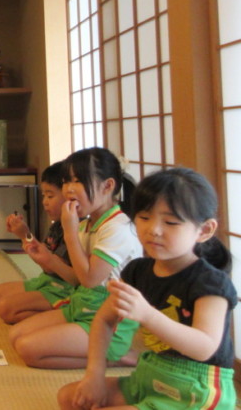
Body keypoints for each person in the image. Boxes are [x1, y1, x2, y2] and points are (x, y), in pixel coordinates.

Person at [58, 167, 236, 410]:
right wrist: (94, 375)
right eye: (144, 218)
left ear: (204, 231)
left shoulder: (210, 282)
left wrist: (148, 315)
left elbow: (204, 348)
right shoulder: (138, 271)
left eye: (170, 222)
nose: (153, 229)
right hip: (151, 376)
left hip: (195, 390)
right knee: (71, 398)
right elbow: (104, 320)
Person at [8, 147, 142, 368]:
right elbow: (77, 279)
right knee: (15, 335)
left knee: (27, 349)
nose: (69, 189)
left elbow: (89, 280)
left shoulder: (118, 228)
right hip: (81, 306)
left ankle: (114, 355)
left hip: (110, 321)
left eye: (78, 181)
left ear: (108, 186)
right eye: (66, 181)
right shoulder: (86, 224)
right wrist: (48, 259)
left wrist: (69, 231)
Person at [0, 161, 74, 323]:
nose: (44, 202)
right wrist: (24, 235)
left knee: (5, 308)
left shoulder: (75, 227)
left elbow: (51, 266)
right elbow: (45, 265)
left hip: (64, 290)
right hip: (48, 281)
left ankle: (66, 315)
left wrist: (25, 235)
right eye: (44, 196)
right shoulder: (57, 226)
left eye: (50, 196)